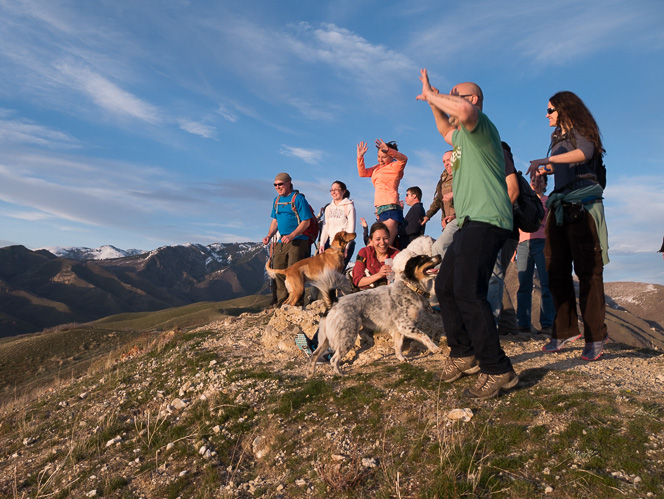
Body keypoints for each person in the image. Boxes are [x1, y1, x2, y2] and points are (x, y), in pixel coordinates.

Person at [417, 70, 518, 399]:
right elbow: (446, 128)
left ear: (472, 100)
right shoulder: (461, 138)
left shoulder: (481, 126)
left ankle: (497, 368)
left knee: (468, 291)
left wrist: (434, 95)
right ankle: (463, 353)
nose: (448, 97)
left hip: (489, 218)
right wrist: (432, 100)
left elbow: (463, 114)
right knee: (446, 286)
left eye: (453, 94)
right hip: (468, 220)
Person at [528, 91, 609, 361]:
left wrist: (547, 160)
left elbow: (583, 154)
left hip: (582, 206)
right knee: (555, 270)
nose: (547, 115)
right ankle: (564, 330)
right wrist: (546, 171)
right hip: (560, 206)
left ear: (564, 109)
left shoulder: (581, 130)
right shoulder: (556, 137)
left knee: (588, 273)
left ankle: (596, 336)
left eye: (550, 110)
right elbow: (565, 166)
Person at [262, 173, 312, 307]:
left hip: (298, 240)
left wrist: (292, 235)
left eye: (280, 184)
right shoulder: (276, 201)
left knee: (294, 272)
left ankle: (297, 303)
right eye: (275, 185)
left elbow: (306, 222)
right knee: (278, 270)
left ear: (289, 183)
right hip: (281, 240)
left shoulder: (298, 199)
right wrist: (269, 235)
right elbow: (275, 221)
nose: (278, 187)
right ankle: (282, 302)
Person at [487, 141, 520, 332]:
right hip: (508, 231)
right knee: (496, 274)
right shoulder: (503, 175)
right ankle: (507, 323)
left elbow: (513, 198)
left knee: (495, 274)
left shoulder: (506, 175)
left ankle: (502, 323)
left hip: (503, 229)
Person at [516, 174, 554, 335]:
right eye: (533, 180)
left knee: (546, 284)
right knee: (524, 285)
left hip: (543, 243)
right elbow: (518, 223)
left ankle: (547, 324)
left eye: (540, 180)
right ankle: (523, 323)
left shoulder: (548, 201)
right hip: (523, 244)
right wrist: (513, 249)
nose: (536, 183)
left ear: (545, 184)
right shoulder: (524, 201)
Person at [357, 139, 408, 246]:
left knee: (384, 245)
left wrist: (389, 150)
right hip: (380, 210)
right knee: (373, 246)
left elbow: (404, 159)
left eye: (384, 157)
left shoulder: (395, 166)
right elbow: (363, 173)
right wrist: (360, 157)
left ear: (391, 156)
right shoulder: (377, 168)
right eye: (379, 156)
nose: (380, 160)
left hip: (391, 208)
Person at [423, 150, 457, 260]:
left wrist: (455, 216)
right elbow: (439, 199)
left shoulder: (464, 175)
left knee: (439, 248)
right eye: (444, 161)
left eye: (449, 160)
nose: (446, 163)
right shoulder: (444, 177)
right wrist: (428, 215)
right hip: (448, 223)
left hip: (462, 220)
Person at [318, 180, 357, 268]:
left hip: (343, 246)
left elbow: (351, 229)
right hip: (330, 245)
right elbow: (325, 227)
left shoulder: (349, 206)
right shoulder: (328, 208)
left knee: (338, 273)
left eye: (336, 189)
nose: (333, 192)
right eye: (332, 190)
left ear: (343, 191)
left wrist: (347, 247)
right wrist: (322, 244)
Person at [352, 222, 399, 290]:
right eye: (378, 239)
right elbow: (358, 281)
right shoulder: (364, 252)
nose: (382, 242)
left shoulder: (397, 255)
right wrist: (379, 275)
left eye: (385, 238)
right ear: (371, 240)